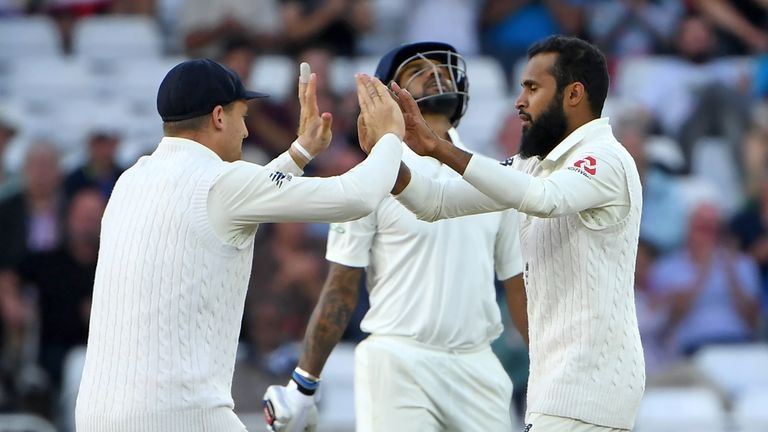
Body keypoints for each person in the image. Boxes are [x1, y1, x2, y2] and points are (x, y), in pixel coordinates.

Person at [74, 58, 405, 432]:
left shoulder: (130, 180)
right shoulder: (223, 182)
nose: (247, 131)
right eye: (241, 115)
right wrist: (392, 136)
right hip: (180, 415)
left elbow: (241, 197)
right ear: (218, 117)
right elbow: (356, 197)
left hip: (95, 414)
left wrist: (300, 152)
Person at [262, 41, 526, 432]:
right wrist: (304, 384)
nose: (436, 74)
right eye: (417, 71)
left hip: (480, 365)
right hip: (398, 360)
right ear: (388, 99)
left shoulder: (492, 176)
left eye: (442, 67)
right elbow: (341, 287)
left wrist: (547, 369)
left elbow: (517, 284)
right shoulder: (370, 179)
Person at [389, 35, 645, 431]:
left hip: (589, 388)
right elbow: (434, 202)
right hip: (559, 388)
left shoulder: (605, 158)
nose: (519, 101)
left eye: (532, 88)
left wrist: (439, 148)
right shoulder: (536, 165)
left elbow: (544, 199)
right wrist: (384, 151)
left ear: (574, 93)